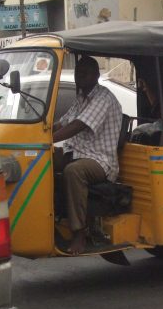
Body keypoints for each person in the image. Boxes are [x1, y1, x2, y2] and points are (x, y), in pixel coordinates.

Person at [51, 55, 123, 255]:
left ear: (96, 75)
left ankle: (79, 232)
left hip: (100, 161)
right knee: (39, 161)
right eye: (77, 72)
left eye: (84, 73)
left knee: (74, 171)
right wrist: (38, 132)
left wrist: (48, 140)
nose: (79, 76)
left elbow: (78, 125)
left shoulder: (103, 98)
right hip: (76, 153)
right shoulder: (81, 98)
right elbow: (62, 123)